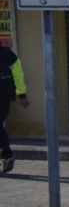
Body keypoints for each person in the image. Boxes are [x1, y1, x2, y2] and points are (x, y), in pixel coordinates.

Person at [0, 41, 29, 174]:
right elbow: (17, 71)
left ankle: (7, 155)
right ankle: (7, 156)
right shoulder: (6, 52)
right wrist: (21, 94)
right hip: (5, 95)